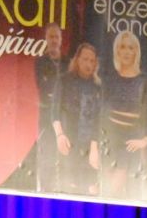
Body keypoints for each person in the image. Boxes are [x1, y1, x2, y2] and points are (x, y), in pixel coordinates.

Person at [100, 30, 147, 198]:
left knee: (116, 192)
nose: (127, 51)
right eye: (122, 47)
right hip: (108, 144)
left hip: (131, 143)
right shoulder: (109, 79)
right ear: (117, 51)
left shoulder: (146, 81)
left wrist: (145, 140)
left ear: (136, 52)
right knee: (104, 192)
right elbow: (100, 114)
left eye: (131, 47)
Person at [53, 42, 102, 195]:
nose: (89, 64)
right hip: (69, 143)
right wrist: (60, 135)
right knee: (70, 188)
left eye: (92, 61)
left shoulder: (97, 87)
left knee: (92, 190)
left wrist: (94, 149)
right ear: (77, 59)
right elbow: (55, 111)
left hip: (89, 146)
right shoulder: (64, 80)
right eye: (85, 59)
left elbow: (98, 119)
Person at [34, 23, 67, 193]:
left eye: (56, 37)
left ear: (61, 39)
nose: (54, 40)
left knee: (65, 153)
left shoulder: (68, 62)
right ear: (46, 39)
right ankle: (46, 190)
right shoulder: (40, 62)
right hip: (47, 114)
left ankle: (62, 190)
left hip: (65, 114)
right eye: (51, 37)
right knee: (47, 152)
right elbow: (43, 86)